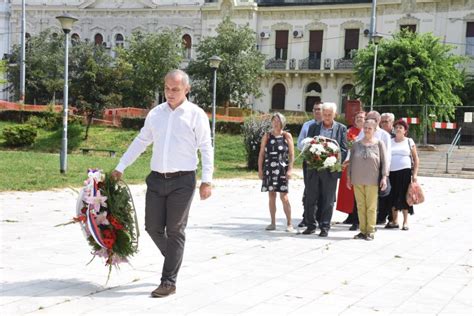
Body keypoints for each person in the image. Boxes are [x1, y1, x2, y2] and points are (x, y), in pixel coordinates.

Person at [111, 69, 213, 298]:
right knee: (152, 227)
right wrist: (120, 166)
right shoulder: (156, 114)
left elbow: (206, 147)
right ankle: (175, 258)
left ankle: (168, 281)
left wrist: (207, 180)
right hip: (156, 179)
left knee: (175, 230)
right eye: (167, 88)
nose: (170, 93)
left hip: (183, 181)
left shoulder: (196, 115)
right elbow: (141, 141)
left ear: (187, 89)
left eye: (175, 89)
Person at [302, 102, 347, 237]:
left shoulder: (341, 129)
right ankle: (310, 225)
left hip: (330, 170)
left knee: (328, 200)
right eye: (325, 114)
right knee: (311, 198)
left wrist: (333, 159)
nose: (327, 117)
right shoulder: (314, 127)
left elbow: (344, 149)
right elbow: (308, 144)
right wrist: (313, 156)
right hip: (314, 168)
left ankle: (325, 226)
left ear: (334, 114)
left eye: (329, 115)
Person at [347, 119, 389, 241]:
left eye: (369, 128)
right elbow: (351, 162)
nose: (366, 130)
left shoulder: (379, 143)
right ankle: (362, 230)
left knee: (371, 206)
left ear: (375, 130)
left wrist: (384, 177)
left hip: (372, 179)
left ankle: (370, 230)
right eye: (365, 128)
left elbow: (384, 162)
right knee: (360, 206)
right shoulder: (356, 144)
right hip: (357, 178)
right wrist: (349, 178)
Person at [258, 112, 295, 232]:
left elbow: (291, 154)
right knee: (271, 195)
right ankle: (272, 223)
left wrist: (290, 169)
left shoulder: (286, 136)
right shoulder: (267, 136)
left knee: (284, 196)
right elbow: (262, 154)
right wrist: (260, 169)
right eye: (274, 120)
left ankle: (289, 223)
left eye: (278, 120)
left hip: (281, 169)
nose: (275, 123)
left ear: (282, 122)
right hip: (269, 168)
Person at [356, 111, 392, 226]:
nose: (369, 122)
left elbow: (387, 156)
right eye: (368, 119)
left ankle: (372, 224)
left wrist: (385, 175)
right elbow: (355, 148)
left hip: (377, 170)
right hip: (361, 171)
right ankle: (361, 223)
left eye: (373, 119)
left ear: (378, 121)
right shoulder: (362, 132)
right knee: (361, 201)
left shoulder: (384, 135)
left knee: (373, 201)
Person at [385, 119, 420, 231]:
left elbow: (416, 158)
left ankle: (405, 222)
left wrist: (415, 174)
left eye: (401, 127)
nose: (398, 129)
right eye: (396, 127)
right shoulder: (390, 141)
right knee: (393, 196)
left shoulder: (409, 141)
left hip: (404, 173)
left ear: (405, 131)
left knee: (405, 196)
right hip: (391, 173)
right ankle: (395, 221)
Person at [336, 111, 365, 229]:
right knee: (347, 191)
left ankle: (357, 217)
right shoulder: (349, 131)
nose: (359, 119)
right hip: (348, 164)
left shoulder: (366, 132)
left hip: (361, 166)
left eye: (362, 117)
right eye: (357, 117)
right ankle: (350, 214)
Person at [296, 101, 322, 228]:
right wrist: (308, 145)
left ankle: (320, 217)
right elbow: (299, 143)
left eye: (320, 109)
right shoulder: (307, 125)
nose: (317, 111)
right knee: (308, 190)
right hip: (309, 162)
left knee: (323, 191)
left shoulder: (327, 126)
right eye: (315, 109)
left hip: (324, 164)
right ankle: (306, 217)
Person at [377, 112, 395, 225]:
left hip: (395, 169)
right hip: (381, 169)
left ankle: (392, 217)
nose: (384, 123)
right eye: (382, 121)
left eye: (386, 121)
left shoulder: (396, 135)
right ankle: (381, 216)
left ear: (392, 122)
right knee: (383, 194)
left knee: (392, 195)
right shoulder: (378, 134)